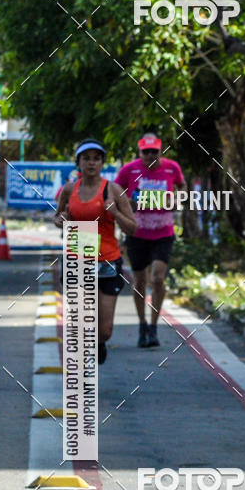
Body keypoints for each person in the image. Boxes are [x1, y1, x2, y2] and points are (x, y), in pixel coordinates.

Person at [54, 139, 137, 364]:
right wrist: (60, 220)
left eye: (96, 159)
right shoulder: (70, 189)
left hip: (107, 262)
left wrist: (115, 212)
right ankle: (81, 365)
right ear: (78, 162)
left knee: (105, 329)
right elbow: (58, 217)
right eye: (86, 158)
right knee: (80, 319)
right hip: (76, 259)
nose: (91, 163)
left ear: (102, 163)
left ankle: (99, 343)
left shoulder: (113, 190)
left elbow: (132, 227)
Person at [115, 133, 185, 347]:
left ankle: (154, 326)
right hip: (137, 234)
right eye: (146, 152)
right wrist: (127, 204)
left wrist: (178, 200)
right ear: (140, 152)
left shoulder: (172, 168)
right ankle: (142, 324)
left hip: (163, 233)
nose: (150, 155)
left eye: (154, 151)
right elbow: (115, 193)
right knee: (139, 282)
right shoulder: (129, 170)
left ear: (160, 151)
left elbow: (182, 188)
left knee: (157, 278)